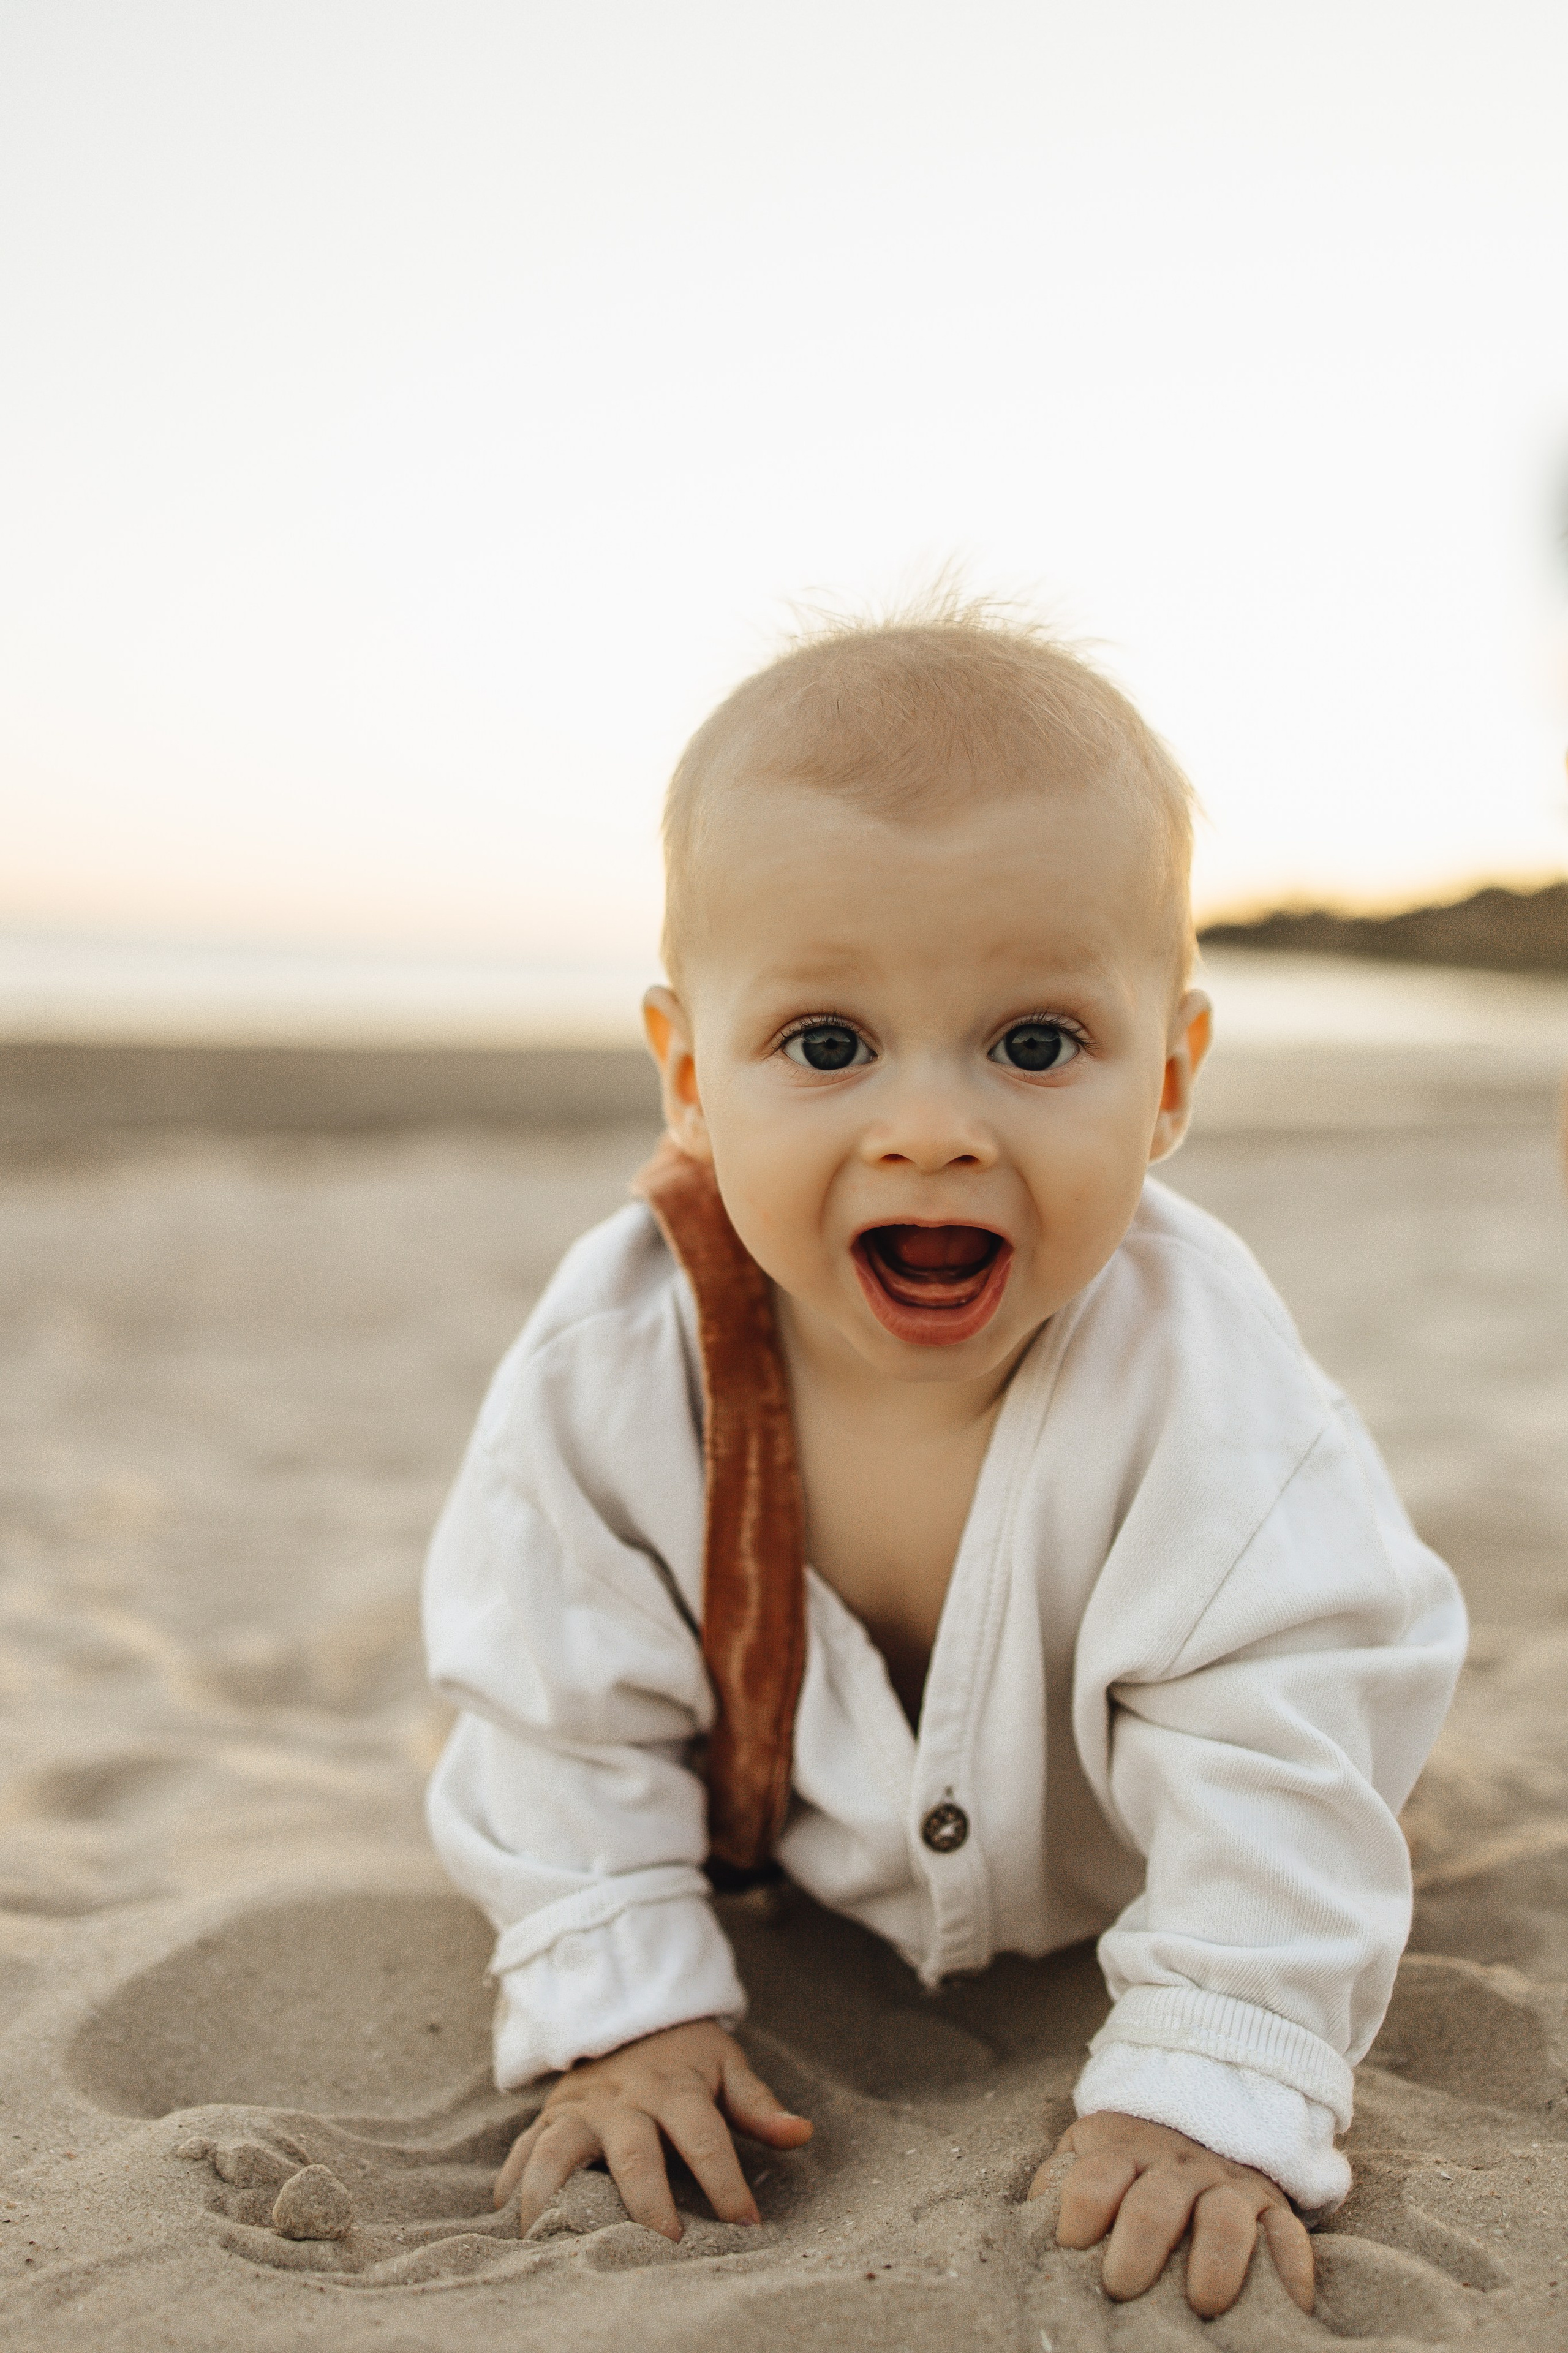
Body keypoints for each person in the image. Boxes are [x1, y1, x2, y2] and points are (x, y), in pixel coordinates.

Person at [421, 597, 1466, 2318]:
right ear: (688, 1073)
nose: (931, 1123)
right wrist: (626, 2004)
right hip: (799, 1860)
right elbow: (548, 1692)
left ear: (1171, 1080)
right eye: (826, 1047)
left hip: (1120, 1869)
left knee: (1298, 1727)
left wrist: (1211, 2072)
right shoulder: (618, 1361)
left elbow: (1283, 1738)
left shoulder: (1209, 1389)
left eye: (1035, 1043)